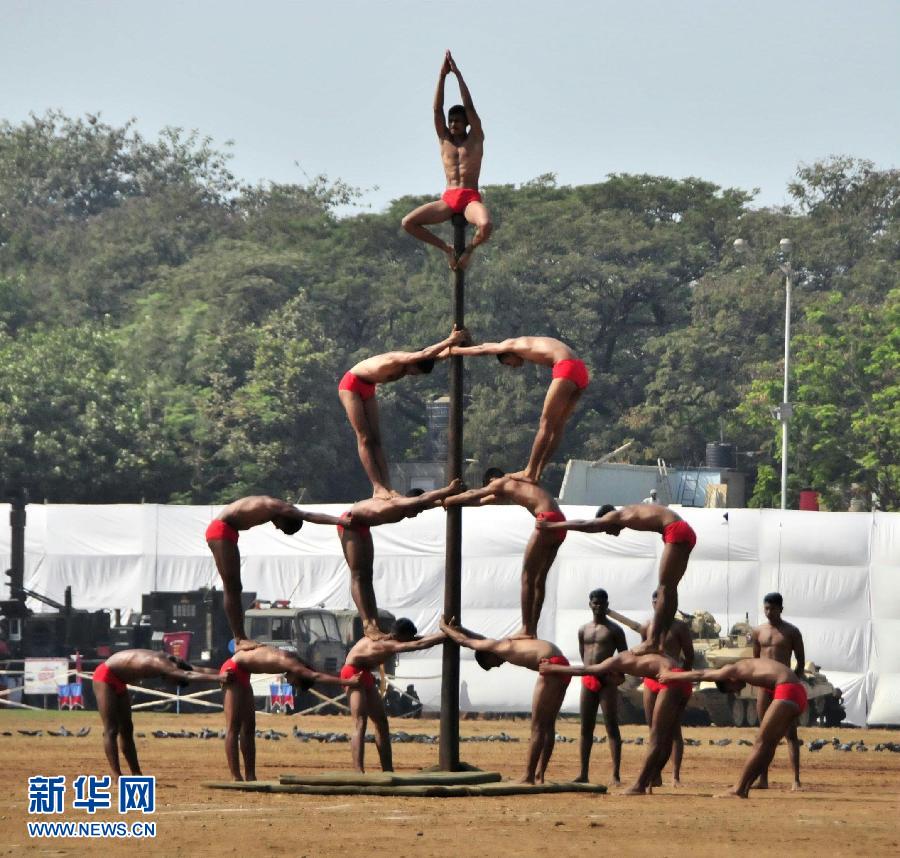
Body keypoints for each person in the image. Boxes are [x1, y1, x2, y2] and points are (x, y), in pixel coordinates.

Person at [537, 503, 695, 654]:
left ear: (605, 519)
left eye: (605, 529)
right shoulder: (630, 512)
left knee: (664, 589)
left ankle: (653, 642)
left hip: (675, 530)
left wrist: (551, 526)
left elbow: (586, 524)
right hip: (685, 531)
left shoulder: (615, 515)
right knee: (670, 588)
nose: (608, 533)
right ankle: (660, 640)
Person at [339, 327, 468, 498]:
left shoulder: (415, 363)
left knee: (376, 440)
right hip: (352, 386)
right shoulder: (400, 358)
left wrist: (456, 347)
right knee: (364, 437)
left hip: (368, 388)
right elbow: (424, 354)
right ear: (413, 363)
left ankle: (387, 487)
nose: (413, 376)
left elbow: (435, 356)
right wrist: (449, 340)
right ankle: (377, 486)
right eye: (416, 372)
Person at [440, 617, 571, 784]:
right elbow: (479, 638)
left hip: (551, 667)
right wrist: (461, 628)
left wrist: (444, 627)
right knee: (548, 725)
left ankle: (528, 776)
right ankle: (539, 774)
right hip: (562, 664)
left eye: (493, 665)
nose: (499, 666)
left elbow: (464, 641)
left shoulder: (498, 647)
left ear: (488, 655)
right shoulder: (503, 643)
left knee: (537, 726)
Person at [540, 649, 691, 795]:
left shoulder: (615, 662)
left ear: (611, 673)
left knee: (657, 738)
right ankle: (652, 777)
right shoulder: (634, 658)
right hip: (678, 677)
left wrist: (552, 667)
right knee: (666, 736)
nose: (617, 684)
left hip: (671, 680)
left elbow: (584, 670)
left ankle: (639, 785)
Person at [206, 496, 348, 648]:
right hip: (221, 530)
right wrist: (340, 521)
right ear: (286, 517)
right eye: (281, 527)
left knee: (234, 587)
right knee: (232, 587)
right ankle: (240, 638)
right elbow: (309, 516)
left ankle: (240, 637)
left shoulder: (278, 508)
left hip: (227, 531)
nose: (276, 527)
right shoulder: (280, 508)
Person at [658, 657, 809, 798]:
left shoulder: (733, 670)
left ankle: (739, 788)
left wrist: (671, 676)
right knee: (768, 745)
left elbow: (702, 674)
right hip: (796, 691)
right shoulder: (747, 666)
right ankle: (745, 786)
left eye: (732, 689)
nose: (737, 691)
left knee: (761, 742)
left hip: (787, 690)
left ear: (729, 679)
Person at [443, 468, 567, 638]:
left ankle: (526, 629)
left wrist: (450, 498)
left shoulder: (501, 482)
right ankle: (532, 630)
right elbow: (480, 501)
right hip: (560, 524)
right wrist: (448, 501)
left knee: (527, 577)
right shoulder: (516, 484)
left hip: (546, 521)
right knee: (539, 579)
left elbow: (473, 494)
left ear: (492, 480)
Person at [337, 480, 464, 640]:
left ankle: (374, 623)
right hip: (349, 523)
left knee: (367, 575)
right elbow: (422, 500)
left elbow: (425, 503)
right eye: (417, 511)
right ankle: (367, 625)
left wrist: (445, 501)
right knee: (358, 575)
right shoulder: (399, 504)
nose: (416, 515)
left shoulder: (407, 507)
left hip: (362, 526)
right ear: (410, 502)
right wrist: (448, 490)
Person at [450, 336, 588, 483]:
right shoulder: (522, 345)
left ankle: (529, 471)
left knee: (545, 424)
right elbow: (485, 344)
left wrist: (454, 350)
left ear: (509, 353)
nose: (514, 367)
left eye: (509, 364)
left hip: (566, 367)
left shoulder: (512, 344)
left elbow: (483, 350)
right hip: (581, 371)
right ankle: (536, 473)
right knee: (557, 426)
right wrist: (469, 342)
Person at [401, 50, 490, 270]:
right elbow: (436, 109)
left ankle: (468, 250)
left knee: (486, 225)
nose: (453, 125)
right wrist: (442, 76)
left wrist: (458, 75)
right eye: (451, 122)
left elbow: (470, 107)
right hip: (449, 198)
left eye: (458, 121)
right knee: (408, 222)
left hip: (469, 198)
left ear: (467, 123)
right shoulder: (444, 140)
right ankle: (447, 249)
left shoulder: (476, 138)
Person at [219, 645, 358, 782]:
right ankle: (235, 776)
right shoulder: (292, 663)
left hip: (243, 673)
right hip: (232, 671)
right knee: (234, 726)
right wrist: (347, 681)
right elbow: (316, 676)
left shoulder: (293, 662)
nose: (290, 683)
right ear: (300, 675)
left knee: (249, 728)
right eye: (295, 684)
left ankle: (250, 776)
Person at [608, 592, 694, 786]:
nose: (658, 605)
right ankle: (655, 774)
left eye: (661, 602)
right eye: (655, 602)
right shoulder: (648, 626)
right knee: (652, 728)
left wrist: (682, 676)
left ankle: (675, 775)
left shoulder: (679, 627)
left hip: (672, 678)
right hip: (651, 680)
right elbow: (645, 650)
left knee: (673, 730)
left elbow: (689, 654)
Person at [93, 649, 223, 777]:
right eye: (175, 681)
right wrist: (219, 677)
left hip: (120, 681)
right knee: (111, 729)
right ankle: (116, 775)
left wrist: (223, 674)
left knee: (127, 728)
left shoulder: (172, 663)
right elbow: (187, 675)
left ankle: (136, 773)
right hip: (105, 676)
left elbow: (199, 670)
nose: (169, 683)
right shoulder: (163, 664)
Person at [341, 618, 445, 773]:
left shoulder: (384, 637)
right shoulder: (384, 644)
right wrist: (447, 634)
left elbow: (417, 640)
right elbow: (418, 644)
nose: (408, 641)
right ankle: (358, 771)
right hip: (351, 673)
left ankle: (388, 770)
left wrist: (442, 635)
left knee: (381, 722)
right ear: (401, 636)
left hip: (365, 673)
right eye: (407, 638)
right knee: (360, 722)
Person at [751, 592, 806, 790]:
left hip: (784, 686)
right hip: (766, 686)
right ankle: (762, 779)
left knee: (790, 733)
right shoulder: (758, 632)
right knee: (764, 734)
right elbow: (755, 661)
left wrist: (795, 681)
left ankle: (796, 779)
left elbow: (800, 660)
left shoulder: (791, 632)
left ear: (781, 609)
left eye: (773, 608)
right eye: (766, 608)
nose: (769, 612)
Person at [575, 589, 627, 785]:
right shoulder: (583, 630)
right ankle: (583, 773)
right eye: (595, 603)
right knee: (585, 727)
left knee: (611, 725)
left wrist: (618, 677)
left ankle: (615, 774)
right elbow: (583, 653)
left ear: (607, 605)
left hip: (606, 682)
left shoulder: (614, 630)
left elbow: (624, 656)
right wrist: (590, 672)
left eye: (602, 603)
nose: (598, 606)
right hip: (588, 679)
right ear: (590, 604)